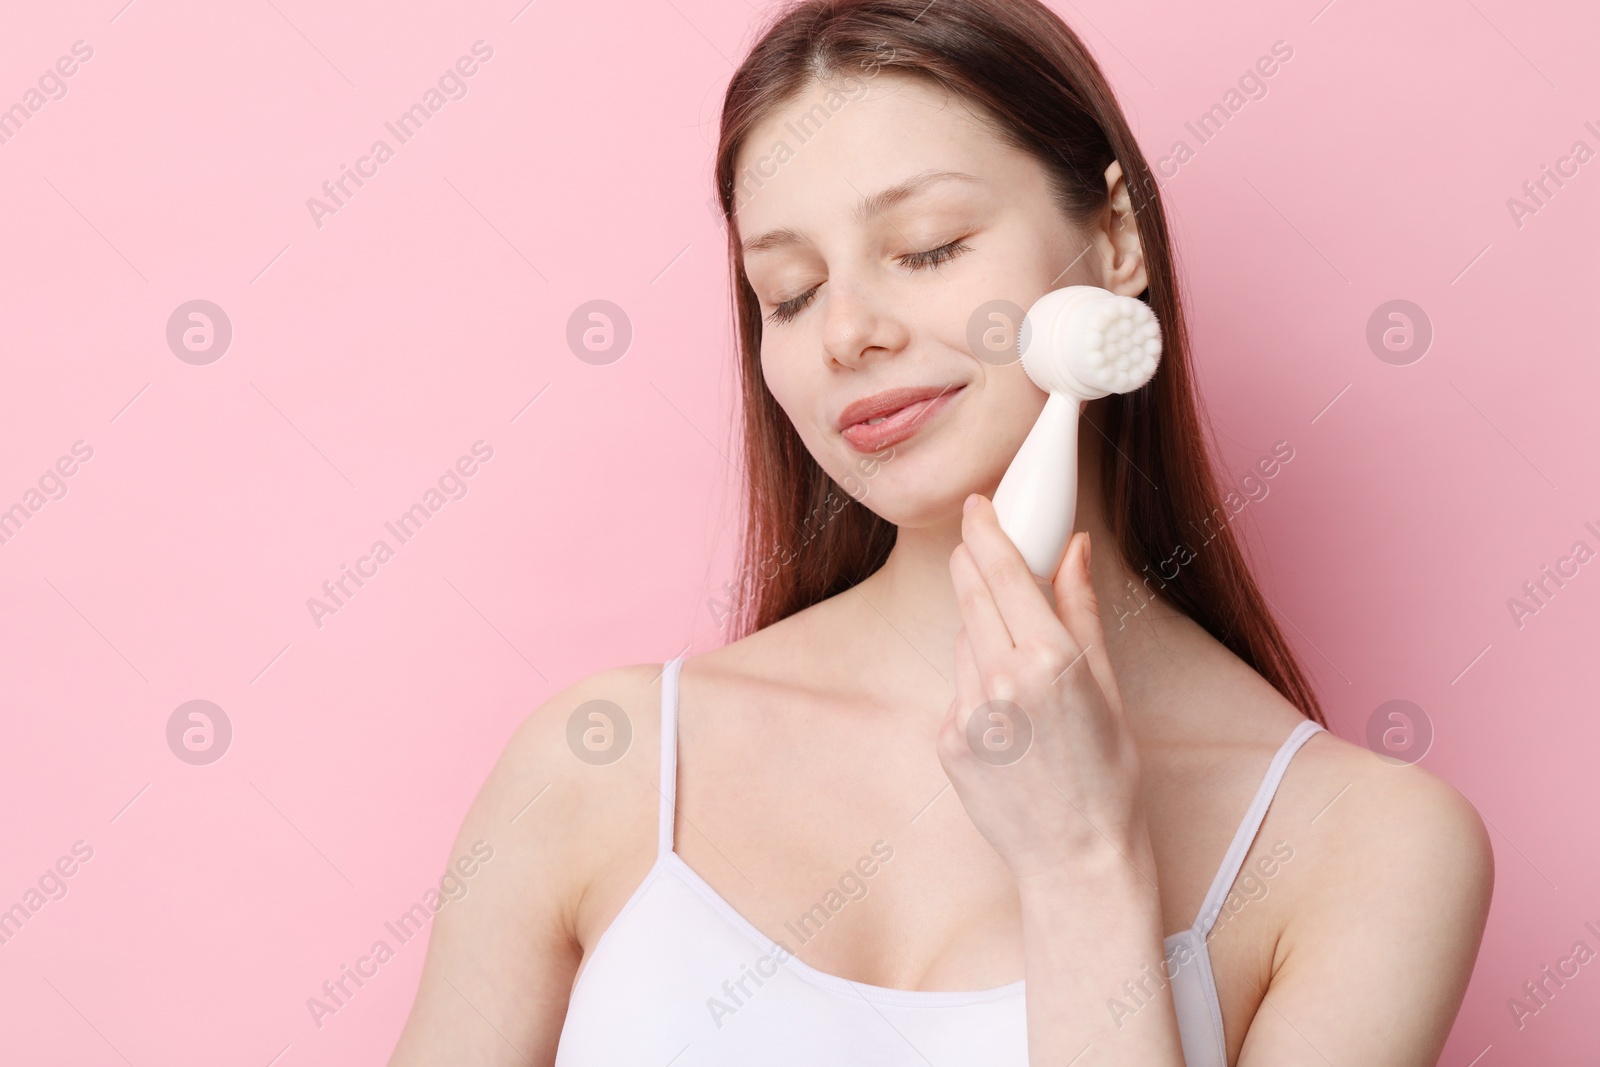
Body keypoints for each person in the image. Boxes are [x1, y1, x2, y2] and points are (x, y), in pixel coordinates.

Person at [389, 1, 1492, 1063]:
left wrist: (1080, 858)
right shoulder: (606, 762)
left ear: (1113, 240)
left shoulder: (1371, 852)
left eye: (924, 246)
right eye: (789, 291)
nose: (850, 332)